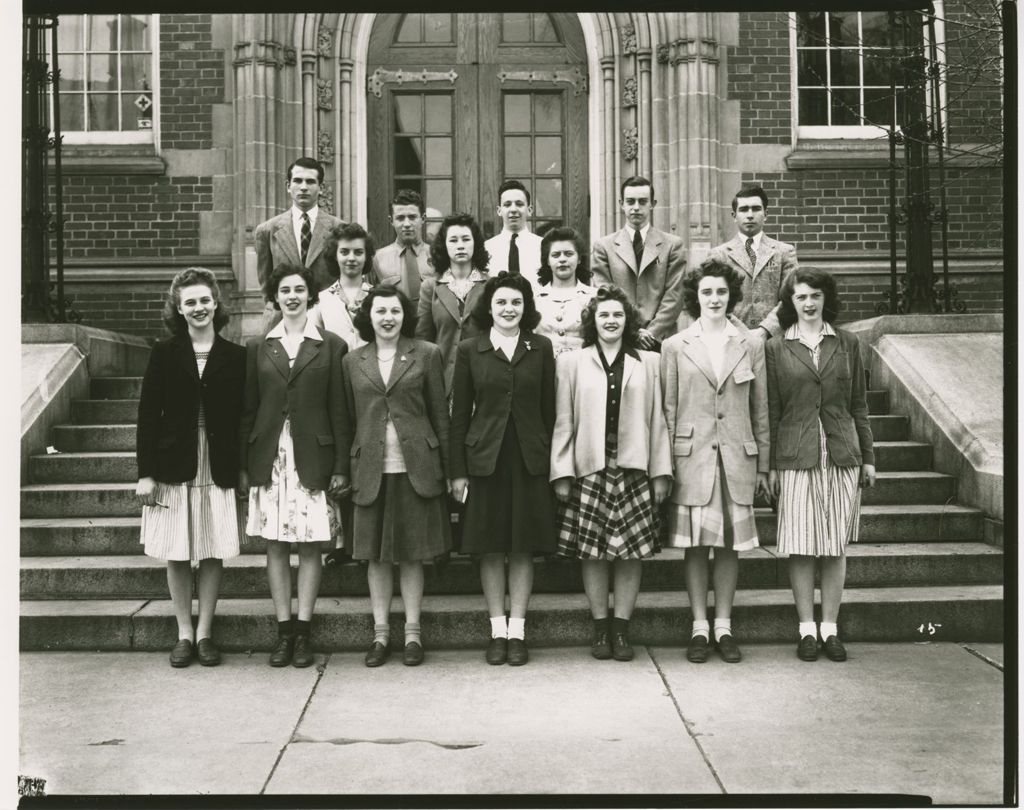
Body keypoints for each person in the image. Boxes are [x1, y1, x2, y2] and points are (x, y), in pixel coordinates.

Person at [550, 286, 672, 661]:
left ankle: (622, 629)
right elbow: (564, 420)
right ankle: (600, 627)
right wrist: (562, 471)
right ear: (593, 321)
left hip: (634, 466)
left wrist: (661, 472)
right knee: (594, 553)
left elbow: (658, 420)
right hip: (590, 466)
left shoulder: (649, 362)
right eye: (603, 315)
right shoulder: (572, 362)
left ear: (628, 320)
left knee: (630, 553)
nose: (611, 321)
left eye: (618, 315)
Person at [661, 258, 770, 664]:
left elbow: (761, 409)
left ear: (732, 296)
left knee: (729, 547)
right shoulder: (675, 346)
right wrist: (666, 465)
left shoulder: (751, 344)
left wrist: (763, 465)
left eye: (721, 291)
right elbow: (669, 409)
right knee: (695, 547)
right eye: (706, 291)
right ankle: (699, 627)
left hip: (737, 458)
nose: (714, 298)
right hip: (692, 458)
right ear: (695, 297)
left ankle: (723, 625)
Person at [239, 263, 349, 668]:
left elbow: (339, 409)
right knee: (275, 544)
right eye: (284, 290)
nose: (292, 297)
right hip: (270, 457)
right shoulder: (257, 347)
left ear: (310, 295)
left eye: (299, 289)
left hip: (312, 457)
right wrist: (244, 466)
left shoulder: (331, 345)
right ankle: (283, 631)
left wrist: (341, 466)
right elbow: (248, 409)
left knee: (310, 544)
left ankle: (303, 631)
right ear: (275, 297)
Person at [136, 268, 246, 668]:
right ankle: (183, 632)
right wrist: (145, 473)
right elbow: (148, 415)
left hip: (217, 463)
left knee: (214, 547)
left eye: (204, 300)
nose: (198, 308)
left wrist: (244, 470)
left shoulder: (236, 356)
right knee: (178, 550)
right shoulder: (164, 353)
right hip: (174, 463)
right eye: (190, 303)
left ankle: (205, 634)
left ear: (216, 304)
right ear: (179, 310)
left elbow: (242, 418)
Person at [765, 268, 876, 662]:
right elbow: (773, 410)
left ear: (826, 298)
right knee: (800, 545)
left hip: (841, 454)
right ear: (790, 303)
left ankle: (830, 629)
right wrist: (771, 465)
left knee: (834, 546)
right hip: (796, 456)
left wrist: (868, 457)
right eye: (800, 297)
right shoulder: (777, 347)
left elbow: (858, 404)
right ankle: (806, 629)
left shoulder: (847, 342)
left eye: (815, 295)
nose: (808, 303)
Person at [339, 286, 452, 667]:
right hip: (371, 469)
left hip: (416, 467)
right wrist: (343, 468)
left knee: (413, 555)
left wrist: (451, 470)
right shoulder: (352, 361)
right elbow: (347, 420)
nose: (388, 318)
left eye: (395, 312)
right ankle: (381, 634)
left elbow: (440, 415)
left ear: (405, 315)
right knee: (376, 558)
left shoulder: (427, 354)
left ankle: (414, 636)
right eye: (380, 311)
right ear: (368, 317)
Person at [450, 273, 556, 666]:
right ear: (488, 308)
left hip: (530, 459)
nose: (508, 309)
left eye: (516, 302)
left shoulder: (541, 348)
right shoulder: (469, 350)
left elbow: (550, 410)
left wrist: (552, 464)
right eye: (501, 303)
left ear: (525, 307)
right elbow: (459, 415)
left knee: (523, 545)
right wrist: (457, 471)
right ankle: (497, 630)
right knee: (491, 547)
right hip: (485, 461)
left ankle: (518, 631)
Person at [590, 176, 687, 350]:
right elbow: (603, 293)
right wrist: (631, 332)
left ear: (652, 204)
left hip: (659, 340)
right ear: (621, 204)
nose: (636, 207)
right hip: (619, 338)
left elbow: (675, 294)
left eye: (642, 202)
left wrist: (652, 333)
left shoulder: (672, 245)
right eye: (630, 201)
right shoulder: (604, 246)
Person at [254, 157, 345, 333]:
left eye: (310, 181)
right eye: (297, 181)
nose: (303, 187)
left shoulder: (338, 229)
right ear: (288, 186)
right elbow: (266, 284)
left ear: (321, 188)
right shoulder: (267, 230)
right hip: (281, 321)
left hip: (326, 322)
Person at [705, 185, 798, 340]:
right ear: (734, 216)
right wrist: (741, 332)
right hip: (730, 338)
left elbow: (792, 297)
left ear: (765, 214)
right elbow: (712, 298)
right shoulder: (719, 254)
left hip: (775, 339)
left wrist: (766, 330)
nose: (750, 215)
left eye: (756, 209)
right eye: (744, 210)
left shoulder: (784, 252)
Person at [416, 213, 489, 396]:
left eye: (466, 239)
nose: (460, 245)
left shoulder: (491, 286)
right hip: (442, 383)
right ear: (444, 245)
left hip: (483, 382)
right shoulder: (430, 287)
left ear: (475, 244)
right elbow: (423, 340)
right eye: (453, 240)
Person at [533, 226, 598, 357]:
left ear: (579, 259)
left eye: (569, 254)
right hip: (543, 371)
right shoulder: (534, 298)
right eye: (556, 255)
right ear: (547, 261)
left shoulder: (594, 297)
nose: (562, 259)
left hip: (583, 369)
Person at [314, 222, 377, 351]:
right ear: (335, 256)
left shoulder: (378, 297)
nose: (351, 258)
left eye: (358, 252)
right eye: (344, 252)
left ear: (366, 256)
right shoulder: (320, 301)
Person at [374, 189, 435, 310]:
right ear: (391, 221)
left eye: (412, 217)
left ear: (423, 218)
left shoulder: (438, 256)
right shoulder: (377, 259)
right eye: (400, 218)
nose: (406, 224)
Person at [483, 180, 543, 286]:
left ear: (529, 210)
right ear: (499, 210)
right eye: (507, 204)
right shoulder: (486, 249)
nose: (513, 209)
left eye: (519, 204)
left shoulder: (543, 246)